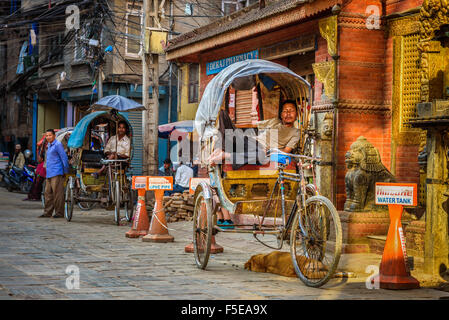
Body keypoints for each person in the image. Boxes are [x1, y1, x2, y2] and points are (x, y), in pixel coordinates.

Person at [208, 100, 301, 168]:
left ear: (296, 114)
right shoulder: (275, 121)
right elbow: (254, 124)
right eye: (285, 111)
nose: (288, 113)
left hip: (261, 150)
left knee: (260, 155)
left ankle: (225, 155)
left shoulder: (296, 133)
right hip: (249, 141)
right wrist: (233, 126)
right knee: (222, 114)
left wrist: (270, 151)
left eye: (291, 111)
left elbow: (285, 152)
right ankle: (219, 149)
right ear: (281, 114)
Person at [39, 129, 69, 218]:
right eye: (47, 135)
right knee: (47, 193)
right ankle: (47, 212)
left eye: (50, 135)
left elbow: (64, 158)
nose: (48, 137)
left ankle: (59, 213)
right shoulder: (48, 145)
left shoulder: (58, 145)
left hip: (57, 172)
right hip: (49, 172)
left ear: (54, 136)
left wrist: (65, 171)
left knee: (57, 193)